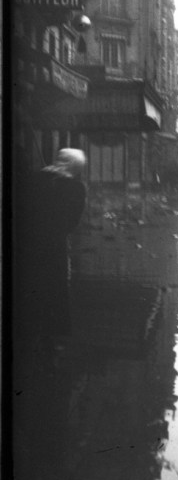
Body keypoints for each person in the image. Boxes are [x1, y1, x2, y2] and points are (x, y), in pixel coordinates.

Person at [14, 148, 88, 351]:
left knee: (31, 283)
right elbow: (73, 220)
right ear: (76, 167)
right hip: (55, 243)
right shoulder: (75, 187)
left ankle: (29, 328)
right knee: (55, 286)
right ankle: (51, 335)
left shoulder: (34, 179)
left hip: (29, 241)